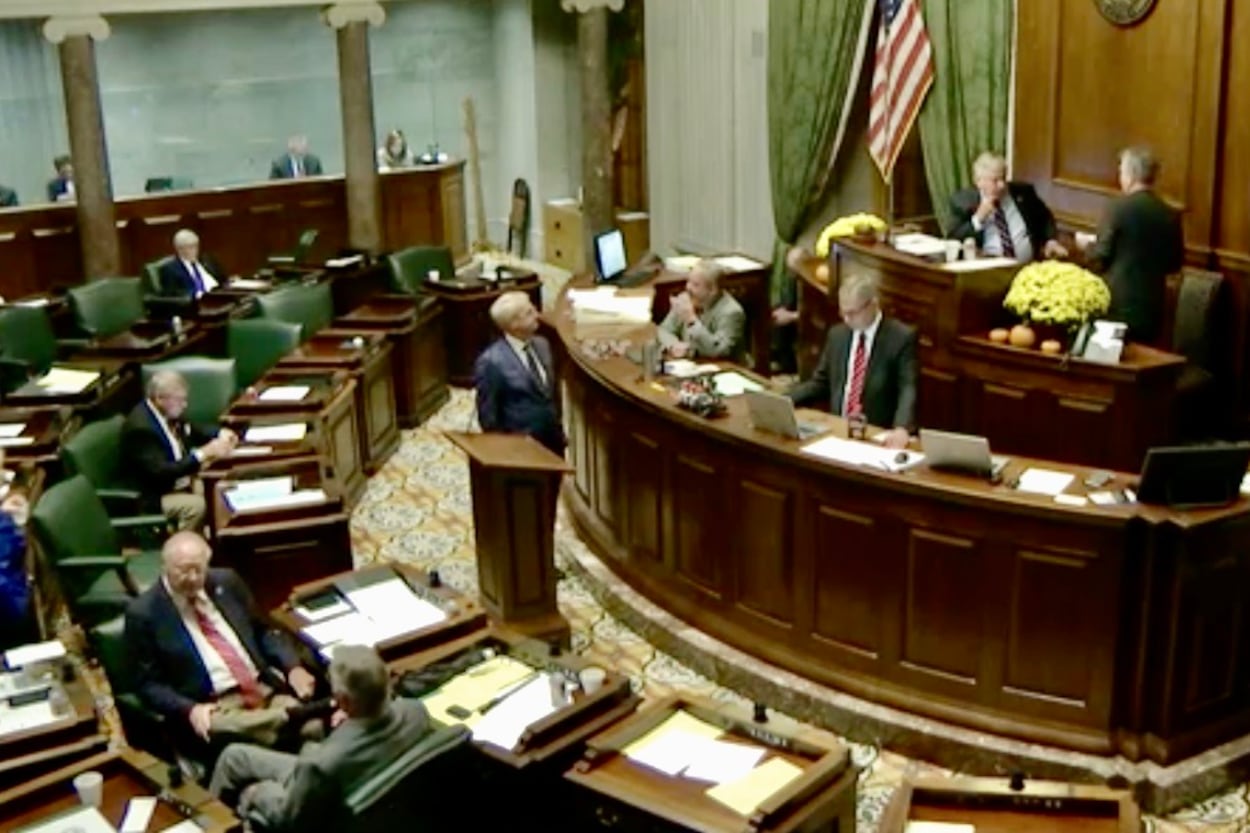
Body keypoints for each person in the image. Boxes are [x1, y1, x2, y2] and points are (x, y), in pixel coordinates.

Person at [125, 532, 320, 758]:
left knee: (314, 728)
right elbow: (148, 684)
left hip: (261, 689)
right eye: (183, 570)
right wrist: (189, 708)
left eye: (199, 569)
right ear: (165, 566)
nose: (192, 577)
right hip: (215, 706)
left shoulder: (226, 582)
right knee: (217, 726)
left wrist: (292, 667)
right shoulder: (144, 613)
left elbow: (264, 630)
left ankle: (280, 728)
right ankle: (289, 717)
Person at [209, 644, 432, 831]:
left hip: (326, 800)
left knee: (248, 781)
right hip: (359, 779)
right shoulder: (416, 712)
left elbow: (290, 819)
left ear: (343, 701)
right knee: (234, 757)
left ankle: (205, 823)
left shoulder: (319, 765)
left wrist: (260, 793)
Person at [788, 274, 917, 449]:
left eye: (852, 313)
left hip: (875, 435)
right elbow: (820, 383)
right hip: (838, 431)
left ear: (873, 304)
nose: (846, 319)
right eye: (843, 312)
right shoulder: (838, 335)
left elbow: (907, 388)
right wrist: (784, 399)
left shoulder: (900, 338)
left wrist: (902, 428)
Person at [1079, 146, 1184, 345]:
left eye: (1121, 172)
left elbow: (1100, 256)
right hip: (1153, 310)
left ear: (1130, 175)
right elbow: (1174, 263)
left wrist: (1086, 246)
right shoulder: (1170, 214)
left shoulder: (1118, 208)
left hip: (1116, 308)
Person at [121, 370, 238, 531]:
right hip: (155, 495)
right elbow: (161, 472)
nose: (185, 405)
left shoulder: (167, 411)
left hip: (182, 481)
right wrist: (202, 454)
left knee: (222, 488)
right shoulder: (141, 429)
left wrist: (219, 433)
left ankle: (222, 541)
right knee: (197, 506)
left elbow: (192, 428)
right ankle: (182, 549)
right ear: (160, 399)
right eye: (180, 400)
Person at [474, 291, 564, 455]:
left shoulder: (543, 344)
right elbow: (488, 417)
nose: (537, 315)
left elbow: (552, 395)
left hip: (552, 440)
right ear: (514, 324)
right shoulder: (492, 362)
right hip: (521, 449)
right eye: (529, 313)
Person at [948, 152, 1066, 262]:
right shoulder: (963, 201)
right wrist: (978, 218)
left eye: (1003, 178)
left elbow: (1044, 217)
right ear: (978, 181)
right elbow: (954, 237)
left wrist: (1051, 241)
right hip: (986, 270)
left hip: (1026, 267)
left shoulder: (1023, 192)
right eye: (995, 180)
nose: (1002, 185)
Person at [656, 260, 745, 360]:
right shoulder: (686, 299)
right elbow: (664, 329)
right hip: (688, 365)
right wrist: (673, 345)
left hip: (722, 367)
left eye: (695, 284)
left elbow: (719, 351)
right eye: (688, 281)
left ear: (712, 290)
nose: (688, 287)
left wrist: (691, 320)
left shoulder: (731, 312)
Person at [158, 229, 227, 299]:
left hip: (219, 296)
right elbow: (171, 295)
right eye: (191, 247)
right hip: (196, 304)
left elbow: (223, 279)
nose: (195, 250)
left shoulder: (207, 260)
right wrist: (196, 295)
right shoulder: (170, 269)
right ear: (179, 249)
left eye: (196, 246)